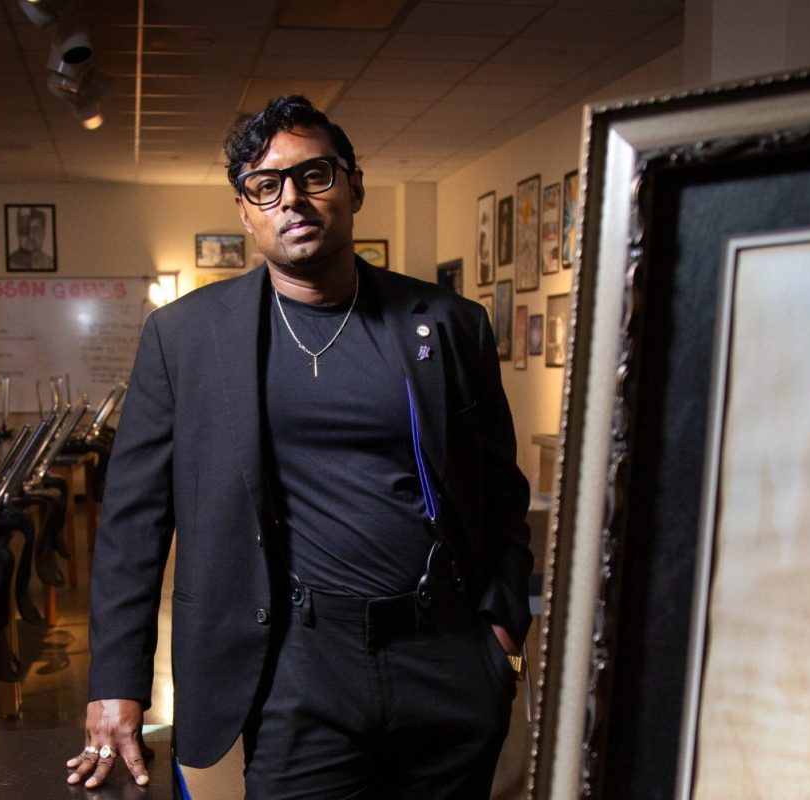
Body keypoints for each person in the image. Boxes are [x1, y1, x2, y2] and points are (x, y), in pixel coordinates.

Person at [67, 95, 533, 798]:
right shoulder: (188, 339)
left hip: (444, 654)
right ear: (245, 209)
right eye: (267, 185)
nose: (293, 199)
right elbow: (134, 522)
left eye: (314, 175)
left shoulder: (447, 324)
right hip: (294, 659)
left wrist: (500, 631)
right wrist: (115, 683)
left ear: (353, 186)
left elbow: (500, 490)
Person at [9, 207, 54, 271]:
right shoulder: (11, 263)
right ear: (18, 232)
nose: (30, 236)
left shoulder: (50, 263)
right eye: (24, 230)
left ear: (44, 233)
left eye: (36, 230)